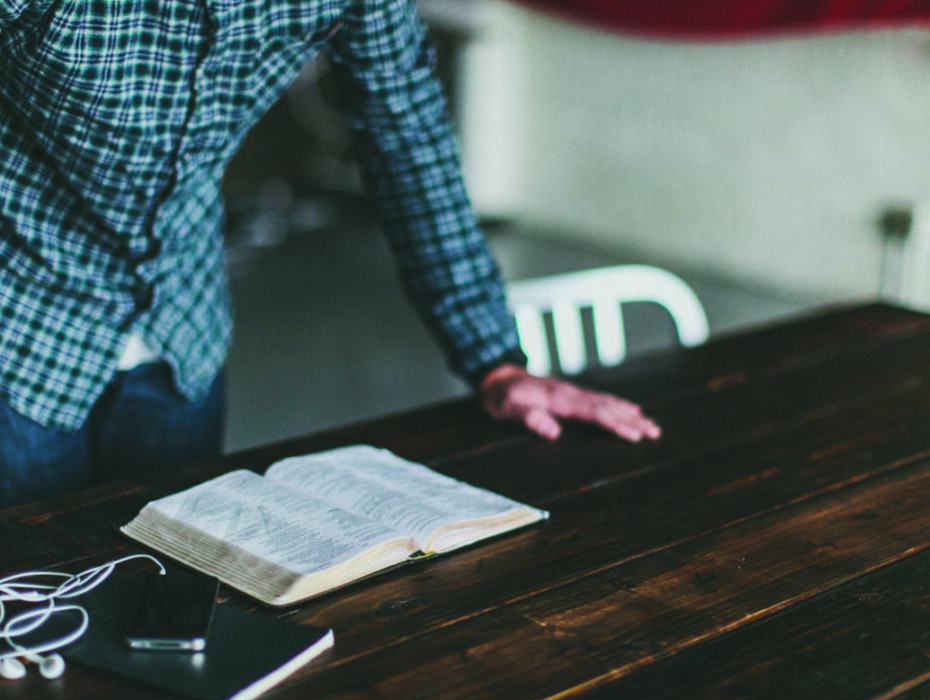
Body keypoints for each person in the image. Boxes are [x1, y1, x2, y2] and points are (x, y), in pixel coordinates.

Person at [0, 0, 659, 509]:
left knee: (163, 599)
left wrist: (494, 361)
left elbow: (406, 128)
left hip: (181, 325)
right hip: (20, 318)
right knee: (26, 607)